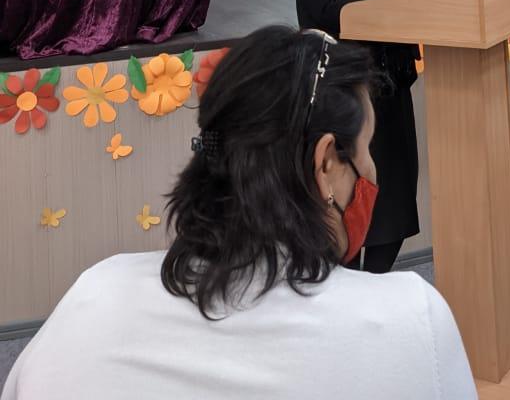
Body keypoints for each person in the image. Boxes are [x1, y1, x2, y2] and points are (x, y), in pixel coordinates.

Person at [0, 26, 476, 400]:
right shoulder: (410, 321)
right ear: (326, 163)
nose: (371, 169)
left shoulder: (92, 299)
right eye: (367, 148)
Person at [289, 0, 447, 274]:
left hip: (392, 73)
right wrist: (402, 4)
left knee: (394, 193)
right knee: (352, 197)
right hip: (348, 84)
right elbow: (327, 6)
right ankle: (347, 285)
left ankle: (375, 282)